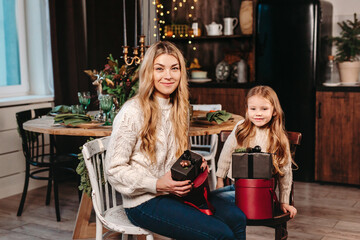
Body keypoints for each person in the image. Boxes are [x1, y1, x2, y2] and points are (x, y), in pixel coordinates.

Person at [105, 41, 246, 240]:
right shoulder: (132, 111)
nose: (168, 76)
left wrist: (195, 162)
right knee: (220, 234)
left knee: (236, 218)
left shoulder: (178, 108)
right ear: (148, 72)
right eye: (159, 69)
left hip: (174, 193)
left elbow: (175, 157)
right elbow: (113, 169)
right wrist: (156, 184)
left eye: (174, 68)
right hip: (143, 201)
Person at [215, 85, 297, 218]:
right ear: (247, 110)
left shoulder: (278, 138)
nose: (258, 113)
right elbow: (226, 155)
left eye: (264, 109)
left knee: (213, 202)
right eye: (253, 109)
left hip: (262, 194)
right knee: (210, 198)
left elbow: (285, 173)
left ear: (274, 111)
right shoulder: (241, 128)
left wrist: (284, 201)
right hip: (238, 188)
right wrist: (220, 181)